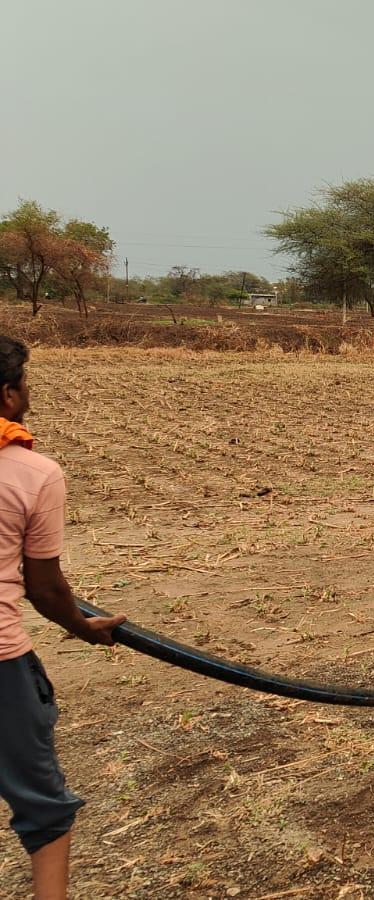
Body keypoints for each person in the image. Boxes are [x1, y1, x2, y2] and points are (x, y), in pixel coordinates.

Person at [0, 336, 125, 900]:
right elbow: (46, 589)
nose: (29, 391)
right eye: (24, 381)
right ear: (7, 396)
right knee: (43, 808)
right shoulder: (32, 473)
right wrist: (84, 627)